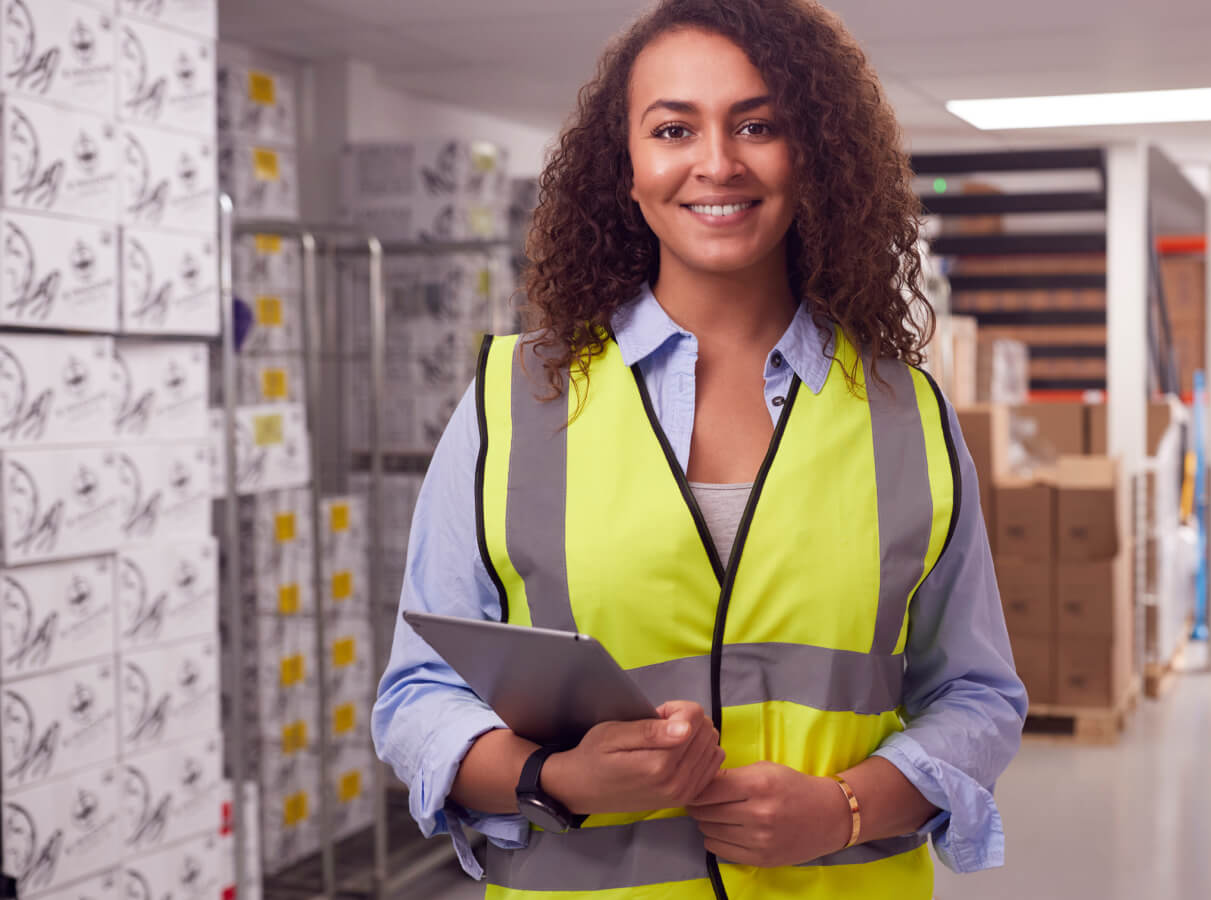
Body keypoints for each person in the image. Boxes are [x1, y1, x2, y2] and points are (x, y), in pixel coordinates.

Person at [371, 1, 1027, 898]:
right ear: (628, 169)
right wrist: (553, 779)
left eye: (758, 125)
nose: (717, 162)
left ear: (814, 158)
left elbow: (979, 695)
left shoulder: (906, 414)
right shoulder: (511, 405)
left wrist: (844, 807)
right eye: (674, 128)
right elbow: (417, 699)